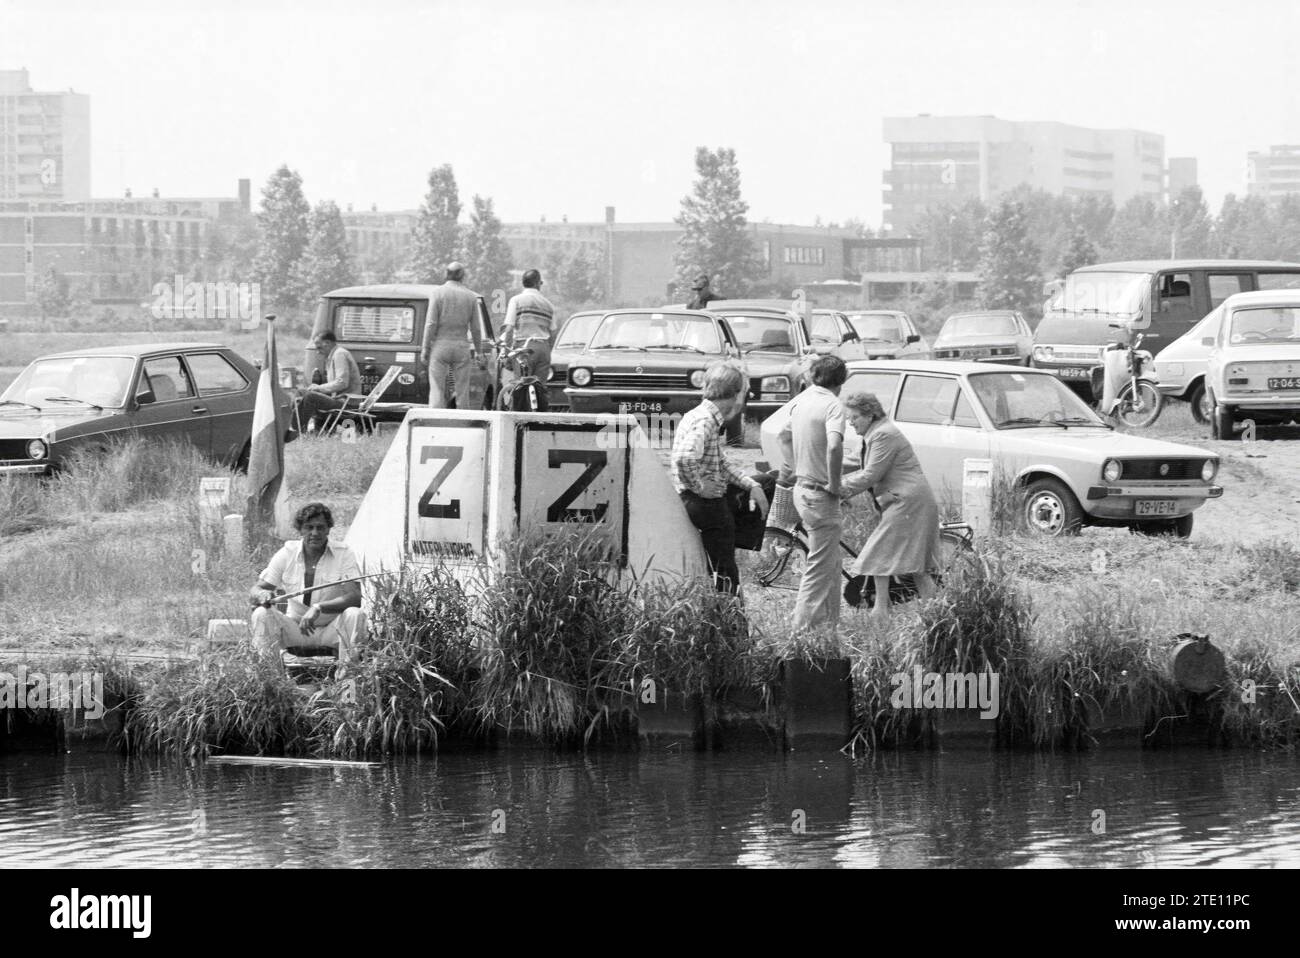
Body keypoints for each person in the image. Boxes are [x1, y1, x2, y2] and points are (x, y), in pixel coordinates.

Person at [838, 392, 941, 624]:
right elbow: (853, 462)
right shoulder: (873, 434)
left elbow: (870, 474)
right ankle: (934, 616)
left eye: (854, 417)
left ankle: (882, 611)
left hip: (908, 503)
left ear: (870, 415)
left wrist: (837, 490)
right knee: (915, 566)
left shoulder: (884, 434)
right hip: (905, 501)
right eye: (849, 418)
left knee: (880, 552)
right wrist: (821, 467)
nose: (850, 422)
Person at [670, 361, 769, 594]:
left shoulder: (702, 416)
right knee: (725, 568)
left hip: (699, 498)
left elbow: (721, 463)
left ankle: (718, 598)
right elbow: (684, 457)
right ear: (736, 394)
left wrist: (752, 485)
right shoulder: (705, 421)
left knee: (766, 483)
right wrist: (700, 487)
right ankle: (728, 611)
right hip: (703, 503)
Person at [249, 502, 367, 669]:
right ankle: (270, 677)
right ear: (300, 530)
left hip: (332, 630)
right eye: (309, 527)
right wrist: (262, 595)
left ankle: (348, 676)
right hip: (295, 630)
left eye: (320, 527)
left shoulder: (344, 553)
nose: (315, 533)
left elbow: (355, 597)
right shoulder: (286, 553)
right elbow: (257, 589)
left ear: (328, 529)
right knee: (261, 613)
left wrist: (319, 608)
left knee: (355, 614)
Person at [777, 355, 848, 633]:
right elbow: (834, 446)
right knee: (818, 567)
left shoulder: (801, 401)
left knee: (832, 561)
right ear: (841, 381)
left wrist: (796, 468)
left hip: (801, 489)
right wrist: (834, 484)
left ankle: (830, 627)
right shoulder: (833, 405)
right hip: (820, 494)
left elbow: (783, 437)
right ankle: (800, 632)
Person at [420, 262, 484, 409]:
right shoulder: (470, 296)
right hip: (461, 346)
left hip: (440, 345)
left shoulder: (437, 293)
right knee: (462, 390)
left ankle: (436, 418)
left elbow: (431, 323)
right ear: (463, 276)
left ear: (446, 274)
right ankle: (462, 418)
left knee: (437, 388)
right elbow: (476, 329)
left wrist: (425, 348)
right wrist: (479, 351)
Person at [295, 331, 361, 433]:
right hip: (339, 400)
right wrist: (318, 388)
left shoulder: (339, 354)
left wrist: (318, 388)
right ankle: (294, 426)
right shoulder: (333, 355)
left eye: (319, 348)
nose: (317, 352)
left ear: (327, 343)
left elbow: (342, 383)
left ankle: (298, 431)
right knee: (301, 392)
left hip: (347, 404)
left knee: (310, 397)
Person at [501, 268, 556, 382]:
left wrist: (507, 354)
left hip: (524, 348)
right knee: (540, 387)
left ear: (523, 283)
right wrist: (547, 350)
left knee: (521, 385)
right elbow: (553, 332)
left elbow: (509, 328)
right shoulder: (549, 305)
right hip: (543, 348)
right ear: (537, 283)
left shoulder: (516, 300)